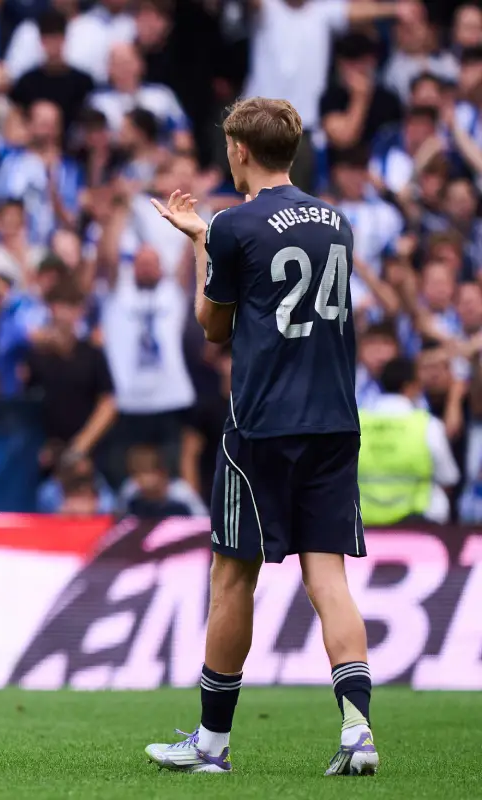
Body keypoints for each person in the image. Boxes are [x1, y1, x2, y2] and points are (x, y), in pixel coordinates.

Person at [145, 98, 377, 776]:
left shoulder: (231, 225)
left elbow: (214, 329)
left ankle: (212, 745)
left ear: (240, 151)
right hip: (335, 419)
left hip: (263, 425)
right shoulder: (337, 221)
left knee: (232, 579)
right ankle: (358, 732)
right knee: (328, 577)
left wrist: (197, 244)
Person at [358, 356, 459, 524]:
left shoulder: (358, 422)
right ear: (411, 386)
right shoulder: (427, 425)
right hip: (418, 524)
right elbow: (449, 478)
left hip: (363, 523)